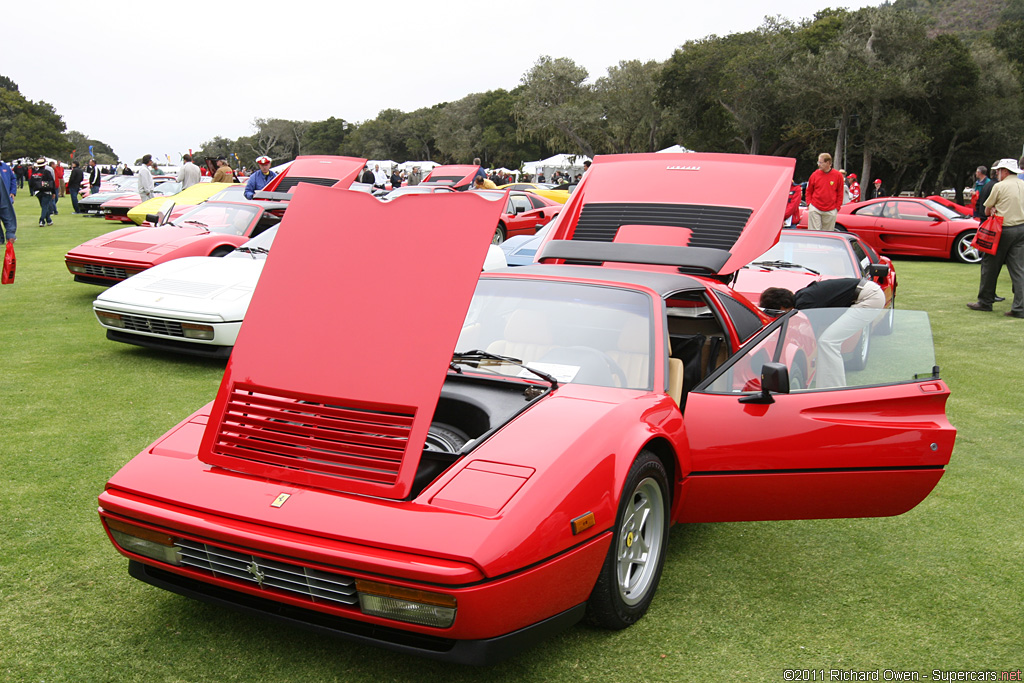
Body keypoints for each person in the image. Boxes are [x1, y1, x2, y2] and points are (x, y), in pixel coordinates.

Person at [760, 278, 886, 388]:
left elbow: (810, 336)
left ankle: (836, 389)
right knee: (826, 340)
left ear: (782, 308)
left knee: (828, 342)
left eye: (777, 313)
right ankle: (828, 385)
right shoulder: (801, 298)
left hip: (869, 297)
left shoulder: (805, 304)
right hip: (867, 293)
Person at [967, 158, 1024, 318]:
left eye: (999, 171)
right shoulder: (1022, 184)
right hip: (1021, 229)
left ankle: (985, 301)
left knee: (989, 265)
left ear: (1005, 171)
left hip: (1003, 228)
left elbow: (986, 210)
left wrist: (993, 210)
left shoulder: (1000, 186)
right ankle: (1020, 307)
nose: (997, 173)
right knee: (1018, 269)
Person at [805, 153, 844, 231]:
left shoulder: (838, 175)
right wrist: (809, 204)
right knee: (814, 233)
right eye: (818, 162)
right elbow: (809, 191)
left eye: (820, 162)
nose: (818, 165)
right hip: (815, 207)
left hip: (831, 209)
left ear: (828, 163)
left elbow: (840, 193)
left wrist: (837, 208)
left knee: (827, 234)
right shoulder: (814, 175)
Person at [29, 158, 55, 226]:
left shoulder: (34, 173)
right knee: (45, 206)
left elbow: (31, 183)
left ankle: (49, 220)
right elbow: (52, 183)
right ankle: (42, 220)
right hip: (46, 191)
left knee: (43, 206)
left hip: (37, 192)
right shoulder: (47, 172)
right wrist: (54, 192)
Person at [0, 156, 17, 243]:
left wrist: (13, 192)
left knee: (8, 215)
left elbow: (13, 179)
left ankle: (10, 235)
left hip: (5, 196)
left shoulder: (5, 167)